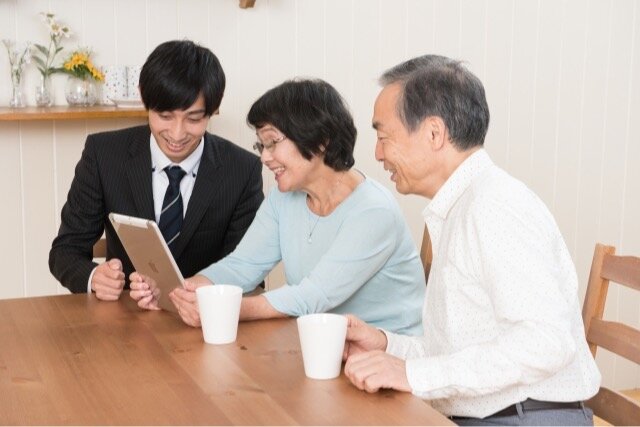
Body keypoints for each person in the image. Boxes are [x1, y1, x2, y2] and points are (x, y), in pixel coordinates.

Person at [342, 55, 601, 426]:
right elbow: (459, 352)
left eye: (384, 136)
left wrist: (412, 375)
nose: (377, 153)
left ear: (434, 133)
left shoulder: (495, 206)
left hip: (522, 418)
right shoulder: (463, 205)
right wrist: (386, 345)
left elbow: (546, 343)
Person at [130, 78, 425, 335]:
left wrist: (219, 309)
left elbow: (313, 295)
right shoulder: (285, 198)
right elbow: (242, 266)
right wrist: (179, 291)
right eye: (262, 146)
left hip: (385, 360)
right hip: (321, 348)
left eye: (272, 142)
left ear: (320, 140)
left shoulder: (373, 212)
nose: (265, 158)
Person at [49, 40, 264, 301]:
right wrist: (95, 278)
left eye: (194, 119)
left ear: (213, 110)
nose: (177, 133)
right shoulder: (104, 154)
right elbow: (65, 251)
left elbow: (248, 269)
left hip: (202, 321)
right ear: (144, 100)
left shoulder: (242, 170)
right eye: (165, 116)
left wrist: (202, 295)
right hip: (125, 322)